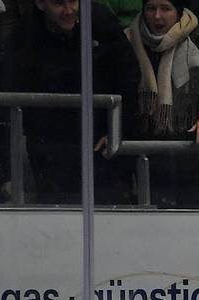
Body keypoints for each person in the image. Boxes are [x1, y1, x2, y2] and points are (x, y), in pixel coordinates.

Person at [8, 0, 138, 204]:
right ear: (41, 4)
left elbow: (128, 77)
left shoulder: (101, 21)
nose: (68, 10)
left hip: (101, 139)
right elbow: (18, 91)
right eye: (59, 3)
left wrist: (116, 127)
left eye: (73, 1)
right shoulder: (24, 34)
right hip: (52, 144)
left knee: (111, 204)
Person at [126, 0, 199, 207]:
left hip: (192, 157)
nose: (157, 16)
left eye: (165, 9)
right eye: (151, 8)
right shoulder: (129, 41)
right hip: (144, 156)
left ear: (178, 12)